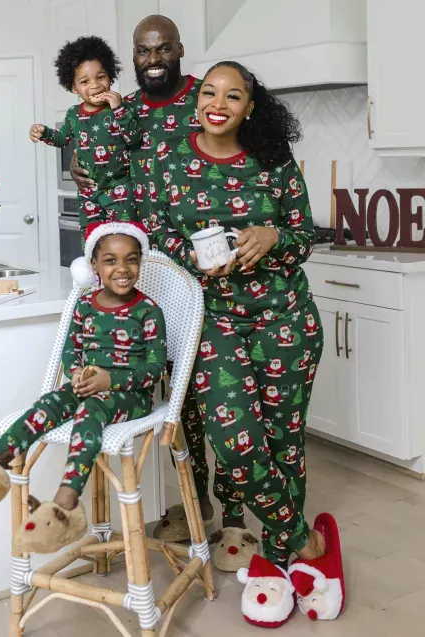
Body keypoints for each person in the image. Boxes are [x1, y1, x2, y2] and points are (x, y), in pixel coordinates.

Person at [149, 60, 330, 580]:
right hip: (213, 320)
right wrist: (196, 257)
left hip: (285, 319)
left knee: (284, 442)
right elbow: (158, 240)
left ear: (250, 108)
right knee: (235, 443)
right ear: (197, 100)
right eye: (210, 92)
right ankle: (304, 539)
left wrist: (274, 237)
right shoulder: (171, 159)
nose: (218, 104)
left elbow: (301, 239)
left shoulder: (275, 159)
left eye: (233, 96)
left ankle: (278, 556)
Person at [70, 15, 219, 543]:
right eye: (142, 52)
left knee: (220, 400)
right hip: (153, 270)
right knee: (180, 397)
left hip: (210, 266)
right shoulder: (123, 110)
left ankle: (241, 519)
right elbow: (97, 157)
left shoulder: (209, 98)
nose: (153, 60)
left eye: (162, 50)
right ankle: (195, 507)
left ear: (179, 49)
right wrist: (77, 164)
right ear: (133, 57)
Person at [0, 221, 167, 554]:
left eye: (131, 259)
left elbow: (154, 369)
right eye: (110, 260)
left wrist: (110, 380)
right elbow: (71, 351)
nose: (122, 268)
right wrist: (78, 372)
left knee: (91, 410)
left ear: (140, 261)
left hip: (131, 395)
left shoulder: (148, 312)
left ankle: (65, 504)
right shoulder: (85, 306)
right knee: (48, 403)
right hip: (87, 385)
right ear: (94, 266)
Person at [30, 36, 141, 249]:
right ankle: (91, 281)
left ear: (110, 76)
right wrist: (44, 133)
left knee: (126, 240)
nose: (95, 86)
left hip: (120, 189)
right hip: (88, 192)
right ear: (73, 88)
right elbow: (63, 139)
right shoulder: (73, 115)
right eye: (85, 82)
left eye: (101, 77)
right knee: (91, 242)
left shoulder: (121, 108)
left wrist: (119, 109)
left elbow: (134, 137)